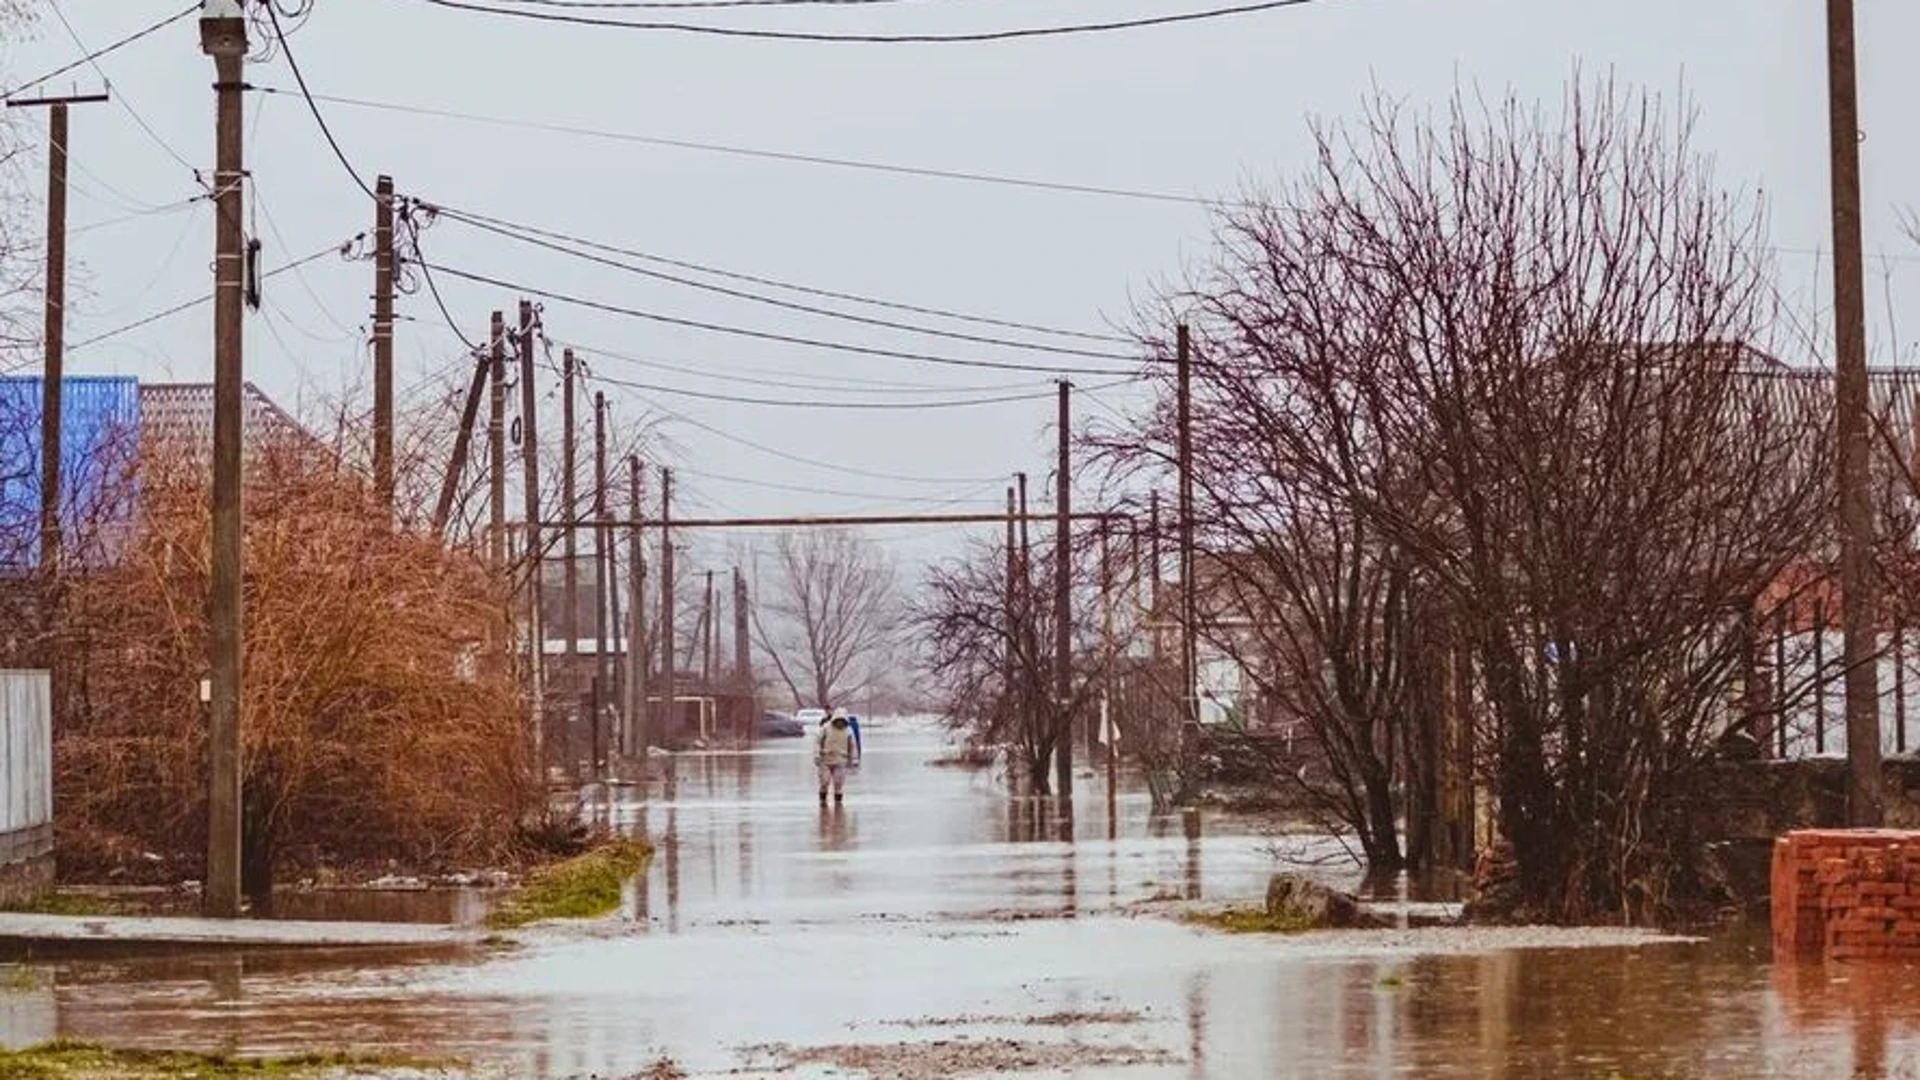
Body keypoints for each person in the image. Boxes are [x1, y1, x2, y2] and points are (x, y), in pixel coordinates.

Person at [815, 713, 855, 805]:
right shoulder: (825, 728)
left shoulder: (848, 730)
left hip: (841, 760)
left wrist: (853, 759)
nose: (840, 723)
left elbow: (852, 746)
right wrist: (817, 755)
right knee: (824, 781)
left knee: (838, 783)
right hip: (825, 759)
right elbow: (817, 742)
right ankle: (823, 801)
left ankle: (838, 804)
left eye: (842, 721)